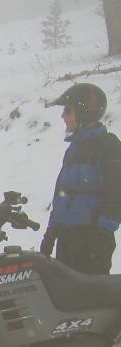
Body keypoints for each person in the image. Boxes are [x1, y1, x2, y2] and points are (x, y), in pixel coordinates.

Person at [40, 83, 121, 274]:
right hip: (67, 240)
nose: (63, 116)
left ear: (85, 113)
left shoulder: (108, 146)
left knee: (90, 301)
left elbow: (117, 193)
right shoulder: (73, 150)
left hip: (92, 243)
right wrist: (51, 234)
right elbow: (62, 196)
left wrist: (101, 231)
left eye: (68, 111)